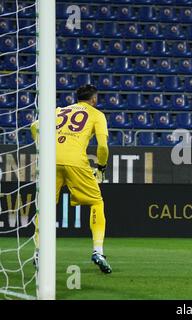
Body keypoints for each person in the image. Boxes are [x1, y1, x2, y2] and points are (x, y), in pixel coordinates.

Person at [31, 84, 112, 273]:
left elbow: (34, 126)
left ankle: (38, 252)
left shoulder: (58, 111)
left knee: (45, 207)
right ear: (93, 99)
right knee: (96, 202)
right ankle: (98, 251)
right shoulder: (96, 114)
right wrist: (101, 167)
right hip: (76, 161)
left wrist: (42, 147)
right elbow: (102, 148)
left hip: (50, 160)